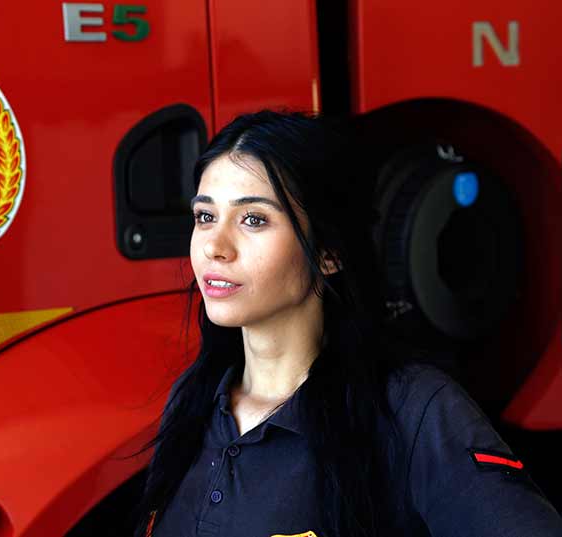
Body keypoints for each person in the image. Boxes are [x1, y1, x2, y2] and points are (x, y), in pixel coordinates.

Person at [131, 110, 562, 537]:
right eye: (205, 217)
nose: (215, 247)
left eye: (254, 219)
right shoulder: (192, 401)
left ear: (329, 253)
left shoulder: (412, 410)